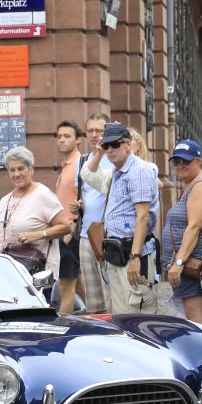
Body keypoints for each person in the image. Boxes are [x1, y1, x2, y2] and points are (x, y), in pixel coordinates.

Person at [85, 121, 159, 312]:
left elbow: (143, 216)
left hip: (133, 253)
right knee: (120, 316)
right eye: (106, 145)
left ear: (127, 144)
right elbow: (88, 175)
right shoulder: (117, 171)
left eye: (115, 144)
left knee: (138, 315)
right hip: (116, 253)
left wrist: (135, 257)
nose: (110, 150)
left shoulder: (139, 170)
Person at [160, 141, 202, 325]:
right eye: (176, 161)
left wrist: (179, 262)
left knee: (197, 316)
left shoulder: (201, 186)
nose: (180, 165)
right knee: (194, 316)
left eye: (186, 161)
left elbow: (194, 226)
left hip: (196, 265)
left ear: (199, 161)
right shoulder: (191, 185)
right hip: (192, 264)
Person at [0, 147, 71, 281]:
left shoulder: (42, 195)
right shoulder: (5, 199)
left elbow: (66, 226)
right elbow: (1, 230)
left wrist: (38, 234)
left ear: (31, 169)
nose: (16, 174)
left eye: (21, 168)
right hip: (7, 273)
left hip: (37, 275)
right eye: (12, 170)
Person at [77, 113, 113, 314]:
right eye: (90, 130)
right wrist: (78, 205)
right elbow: (83, 192)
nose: (94, 135)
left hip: (108, 235)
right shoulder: (83, 160)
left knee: (111, 298)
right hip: (86, 235)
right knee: (93, 303)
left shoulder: (114, 159)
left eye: (99, 130)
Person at [52, 120, 86, 313]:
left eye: (67, 136)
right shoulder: (66, 166)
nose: (62, 140)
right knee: (78, 286)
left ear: (78, 139)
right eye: (59, 136)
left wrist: (71, 229)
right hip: (64, 233)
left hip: (70, 234)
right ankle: (95, 318)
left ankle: (63, 326)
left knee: (66, 288)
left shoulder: (80, 165)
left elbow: (86, 199)